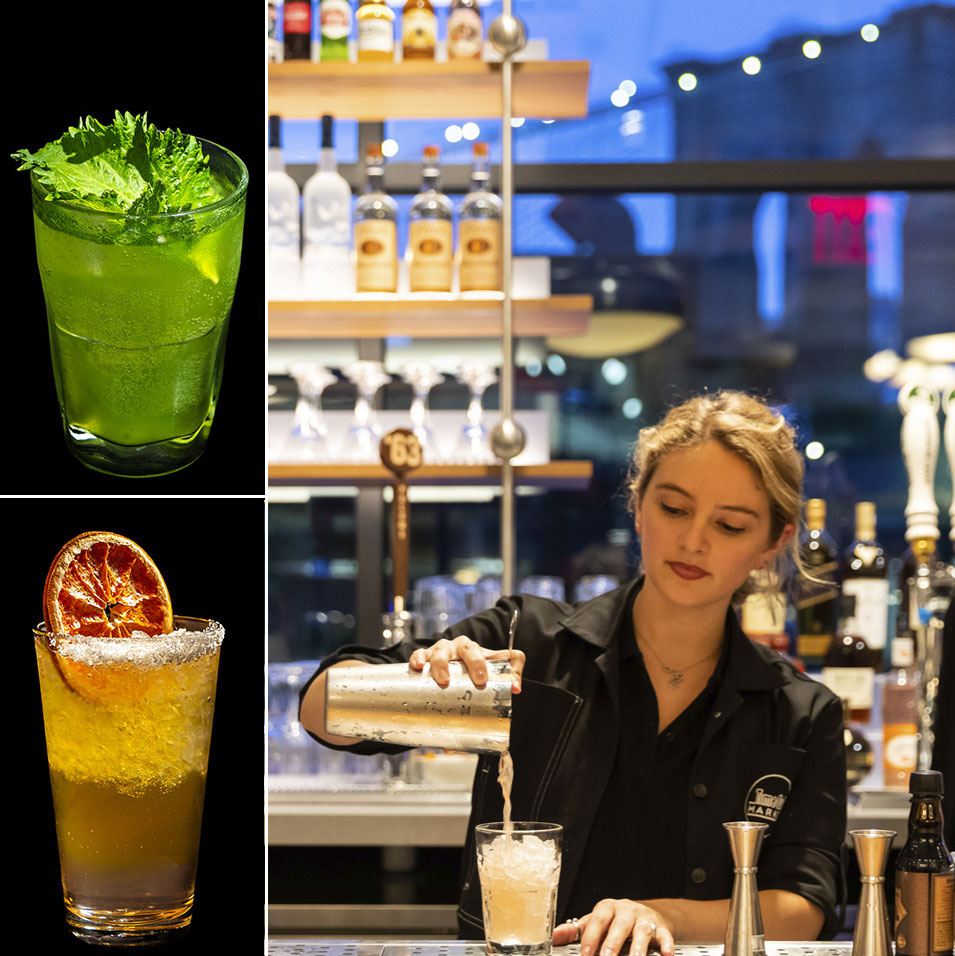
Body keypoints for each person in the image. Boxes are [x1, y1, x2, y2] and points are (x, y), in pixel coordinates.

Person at [299, 390, 847, 955]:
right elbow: (319, 713)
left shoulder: (800, 713)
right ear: (637, 505)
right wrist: (418, 682)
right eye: (674, 508)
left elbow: (801, 908)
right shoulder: (525, 641)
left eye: (730, 525)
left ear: (771, 542)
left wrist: (660, 916)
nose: (692, 541)